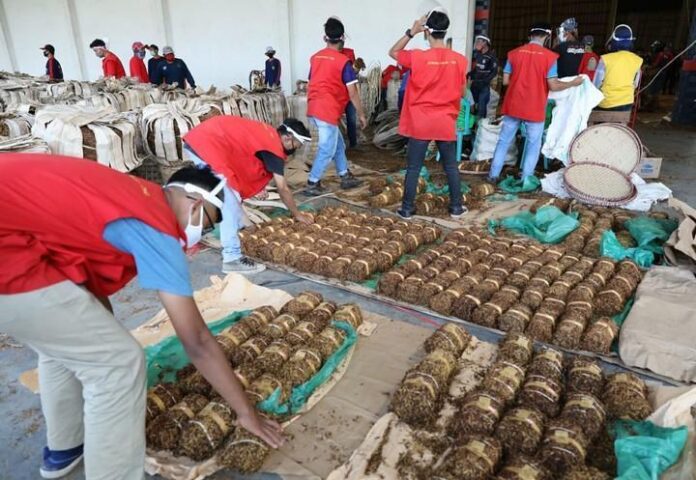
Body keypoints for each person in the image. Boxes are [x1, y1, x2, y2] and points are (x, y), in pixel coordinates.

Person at [0, 155, 283, 479]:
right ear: (194, 204)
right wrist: (246, 413)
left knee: (68, 340)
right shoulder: (155, 225)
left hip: (13, 226)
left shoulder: (137, 195)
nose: (201, 233)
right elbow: (198, 342)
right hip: (7, 248)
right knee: (118, 363)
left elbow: (84, 290)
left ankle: (65, 448)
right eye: (207, 224)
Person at [182, 116, 314, 274]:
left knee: (226, 195)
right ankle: (232, 259)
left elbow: (245, 159)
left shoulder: (268, 135)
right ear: (287, 137)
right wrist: (297, 214)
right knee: (229, 200)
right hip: (207, 144)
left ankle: (185, 231)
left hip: (202, 141)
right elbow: (283, 188)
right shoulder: (273, 147)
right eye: (297, 144)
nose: (296, 149)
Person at [388, 8, 468, 219]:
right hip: (445, 120)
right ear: (446, 31)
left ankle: (407, 208)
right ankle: (456, 207)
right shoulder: (459, 60)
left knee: (414, 167)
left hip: (421, 120)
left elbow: (393, 53)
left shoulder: (418, 57)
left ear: (427, 32)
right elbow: (462, 91)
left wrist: (410, 32)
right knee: (451, 166)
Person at [489, 22, 582, 182]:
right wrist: (573, 83)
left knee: (504, 141)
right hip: (534, 107)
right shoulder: (550, 57)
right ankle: (526, 179)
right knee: (533, 145)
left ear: (530, 35)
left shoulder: (513, 54)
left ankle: (493, 175)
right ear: (546, 37)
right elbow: (553, 85)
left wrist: (520, 82)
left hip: (513, 105)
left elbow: (505, 81)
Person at [304, 17, 366, 196]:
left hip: (314, 108)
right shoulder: (343, 61)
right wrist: (361, 115)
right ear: (343, 38)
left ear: (325, 38)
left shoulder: (315, 58)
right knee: (327, 148)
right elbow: (353, 92)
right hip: (327, 111)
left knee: (337, 144)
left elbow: (310, 82)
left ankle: (344, 175)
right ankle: (313, 182)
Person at [593, 25, 643, 111]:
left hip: (606, 102)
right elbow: (635, 84)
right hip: (626, 102)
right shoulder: (637, 60)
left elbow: (596, 83)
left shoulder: (605, 59)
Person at [468, 35, 498, 119]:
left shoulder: (491, 56)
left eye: (479, 41)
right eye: (477, 41)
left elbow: (494, 71)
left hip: (484, 86)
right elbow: (477, 69)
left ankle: (480, 127)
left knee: (481, 107)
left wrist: (486, 80)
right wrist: (469, 74)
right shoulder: (478, 54)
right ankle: (472, 125)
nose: (477, 43)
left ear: (485, 43)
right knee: (472, 105)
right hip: (475, 85)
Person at [338, 40, 359, 148]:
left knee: (351, 118)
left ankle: (353, 143)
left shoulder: (349, 52)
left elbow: (354, 72)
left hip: (348, 91)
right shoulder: (330, 54)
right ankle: (339, 144)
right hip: (337, 93)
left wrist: (356, 70)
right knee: (335, 119)